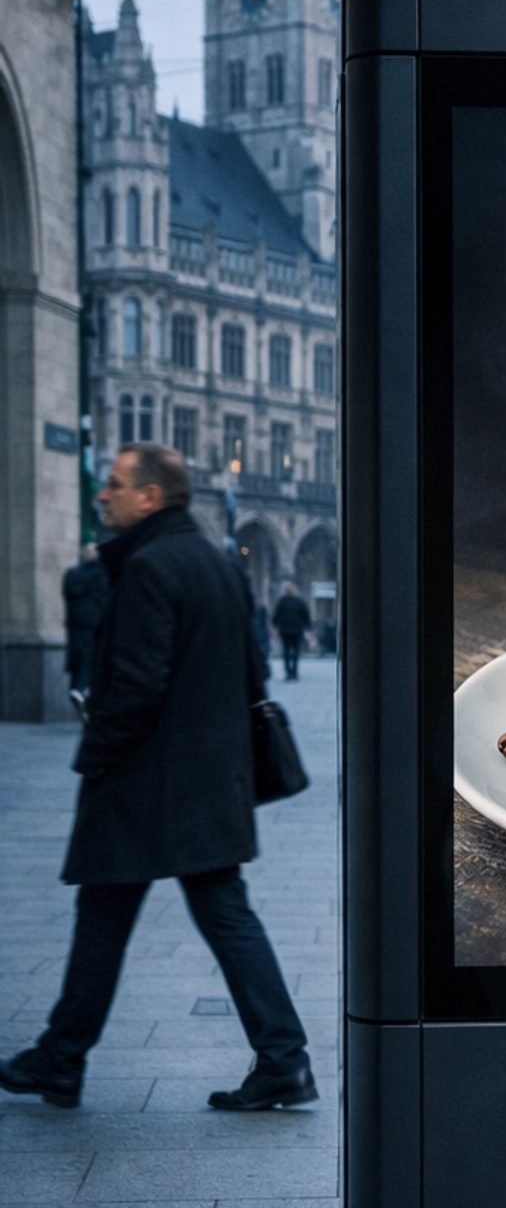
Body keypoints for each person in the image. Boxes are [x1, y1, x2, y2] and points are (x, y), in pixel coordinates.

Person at [0, 444, 316, 1114]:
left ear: (150, 497)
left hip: (149, 778)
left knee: (120, 913)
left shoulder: (148, 565)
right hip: (206, 775)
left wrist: (96, 753)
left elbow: (137, 687)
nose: (101, 494)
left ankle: (64, 1058)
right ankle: (280, 1059)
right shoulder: (215, 560)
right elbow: (251, 668)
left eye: (114, 485)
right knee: (191, 913)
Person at [62, 541, 109, 696]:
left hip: (77, 624)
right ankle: (83, 689)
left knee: (79, 658)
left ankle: (78, 687)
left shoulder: (72, 574)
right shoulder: (102, 574)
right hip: (92, 624)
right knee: (88, 658)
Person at [271, 581, 311, 681]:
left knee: (287, 652)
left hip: (286, 630)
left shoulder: (282, 601)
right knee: (294, 652)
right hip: (296, 630)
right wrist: (308, 627)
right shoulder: (299, 601)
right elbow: (306, 614)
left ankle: (290, 672)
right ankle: (293, 672)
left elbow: (276, 615)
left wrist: (275, 625)